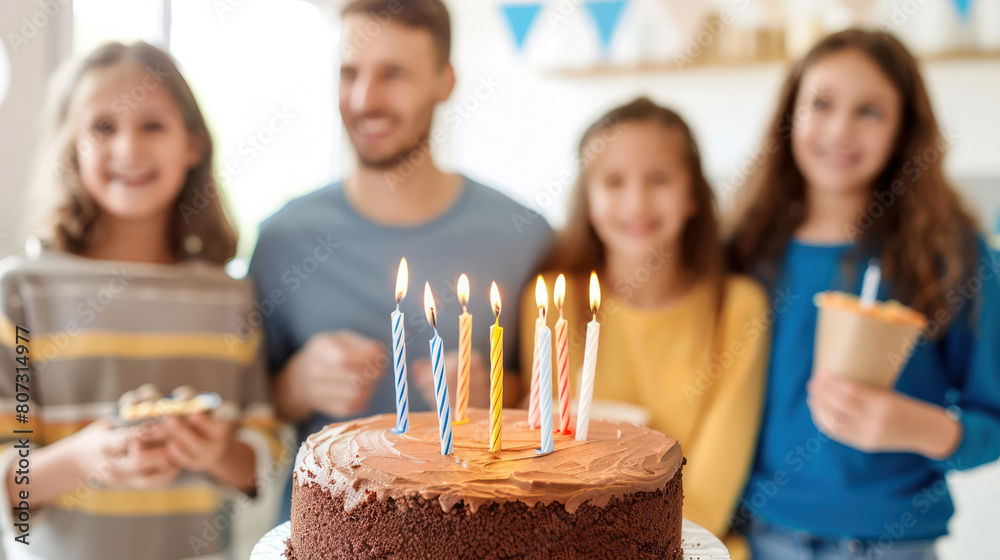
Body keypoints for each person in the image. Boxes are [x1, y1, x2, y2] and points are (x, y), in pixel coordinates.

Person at [248, 0, 553, 521]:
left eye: (393, 74)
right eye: (349, 73)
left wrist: (501, 392)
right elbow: (243, 408)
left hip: (480, 534)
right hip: (324, 537)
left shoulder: (523, 235)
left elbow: (564, 400)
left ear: (445, 80)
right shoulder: (282, 239)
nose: (365, 99)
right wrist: (294, 385)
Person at [0, 42, 281, 560]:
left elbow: (261, 461)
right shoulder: (21, 290)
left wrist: (217, 450)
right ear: (71, 146)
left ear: (193, 144)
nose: (128, 147)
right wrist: (84, 459)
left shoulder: (229, 295)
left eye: (153, 125)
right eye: (103, 127)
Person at [727, 29, 1000, 560]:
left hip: (893, 540)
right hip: (758, 535)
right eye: (822, 103)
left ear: (904, 130)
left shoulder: (955, 255)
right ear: (790, 115)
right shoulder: (745, 249)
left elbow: (992, 419)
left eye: (870, 111)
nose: (839, 130)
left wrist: (925, 428)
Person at [520, 97, 769, 560]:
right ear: (587, 197)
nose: (636, 202)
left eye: (659, 179)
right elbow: (542, 457)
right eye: (613, 181)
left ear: (693, 194)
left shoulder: (737, 307)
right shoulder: (553, 298)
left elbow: (710, 498)